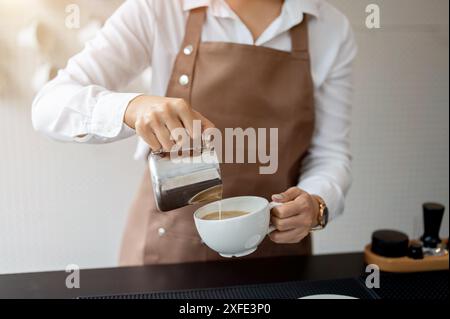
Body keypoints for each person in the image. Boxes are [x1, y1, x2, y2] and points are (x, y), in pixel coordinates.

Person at [32, 0, 357, 265]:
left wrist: (317, 205)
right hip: (167, 253)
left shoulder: (331, 29)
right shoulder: (158, 8)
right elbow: (48, 106)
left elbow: (330, 154)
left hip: (276, 255)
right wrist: (132, 108)